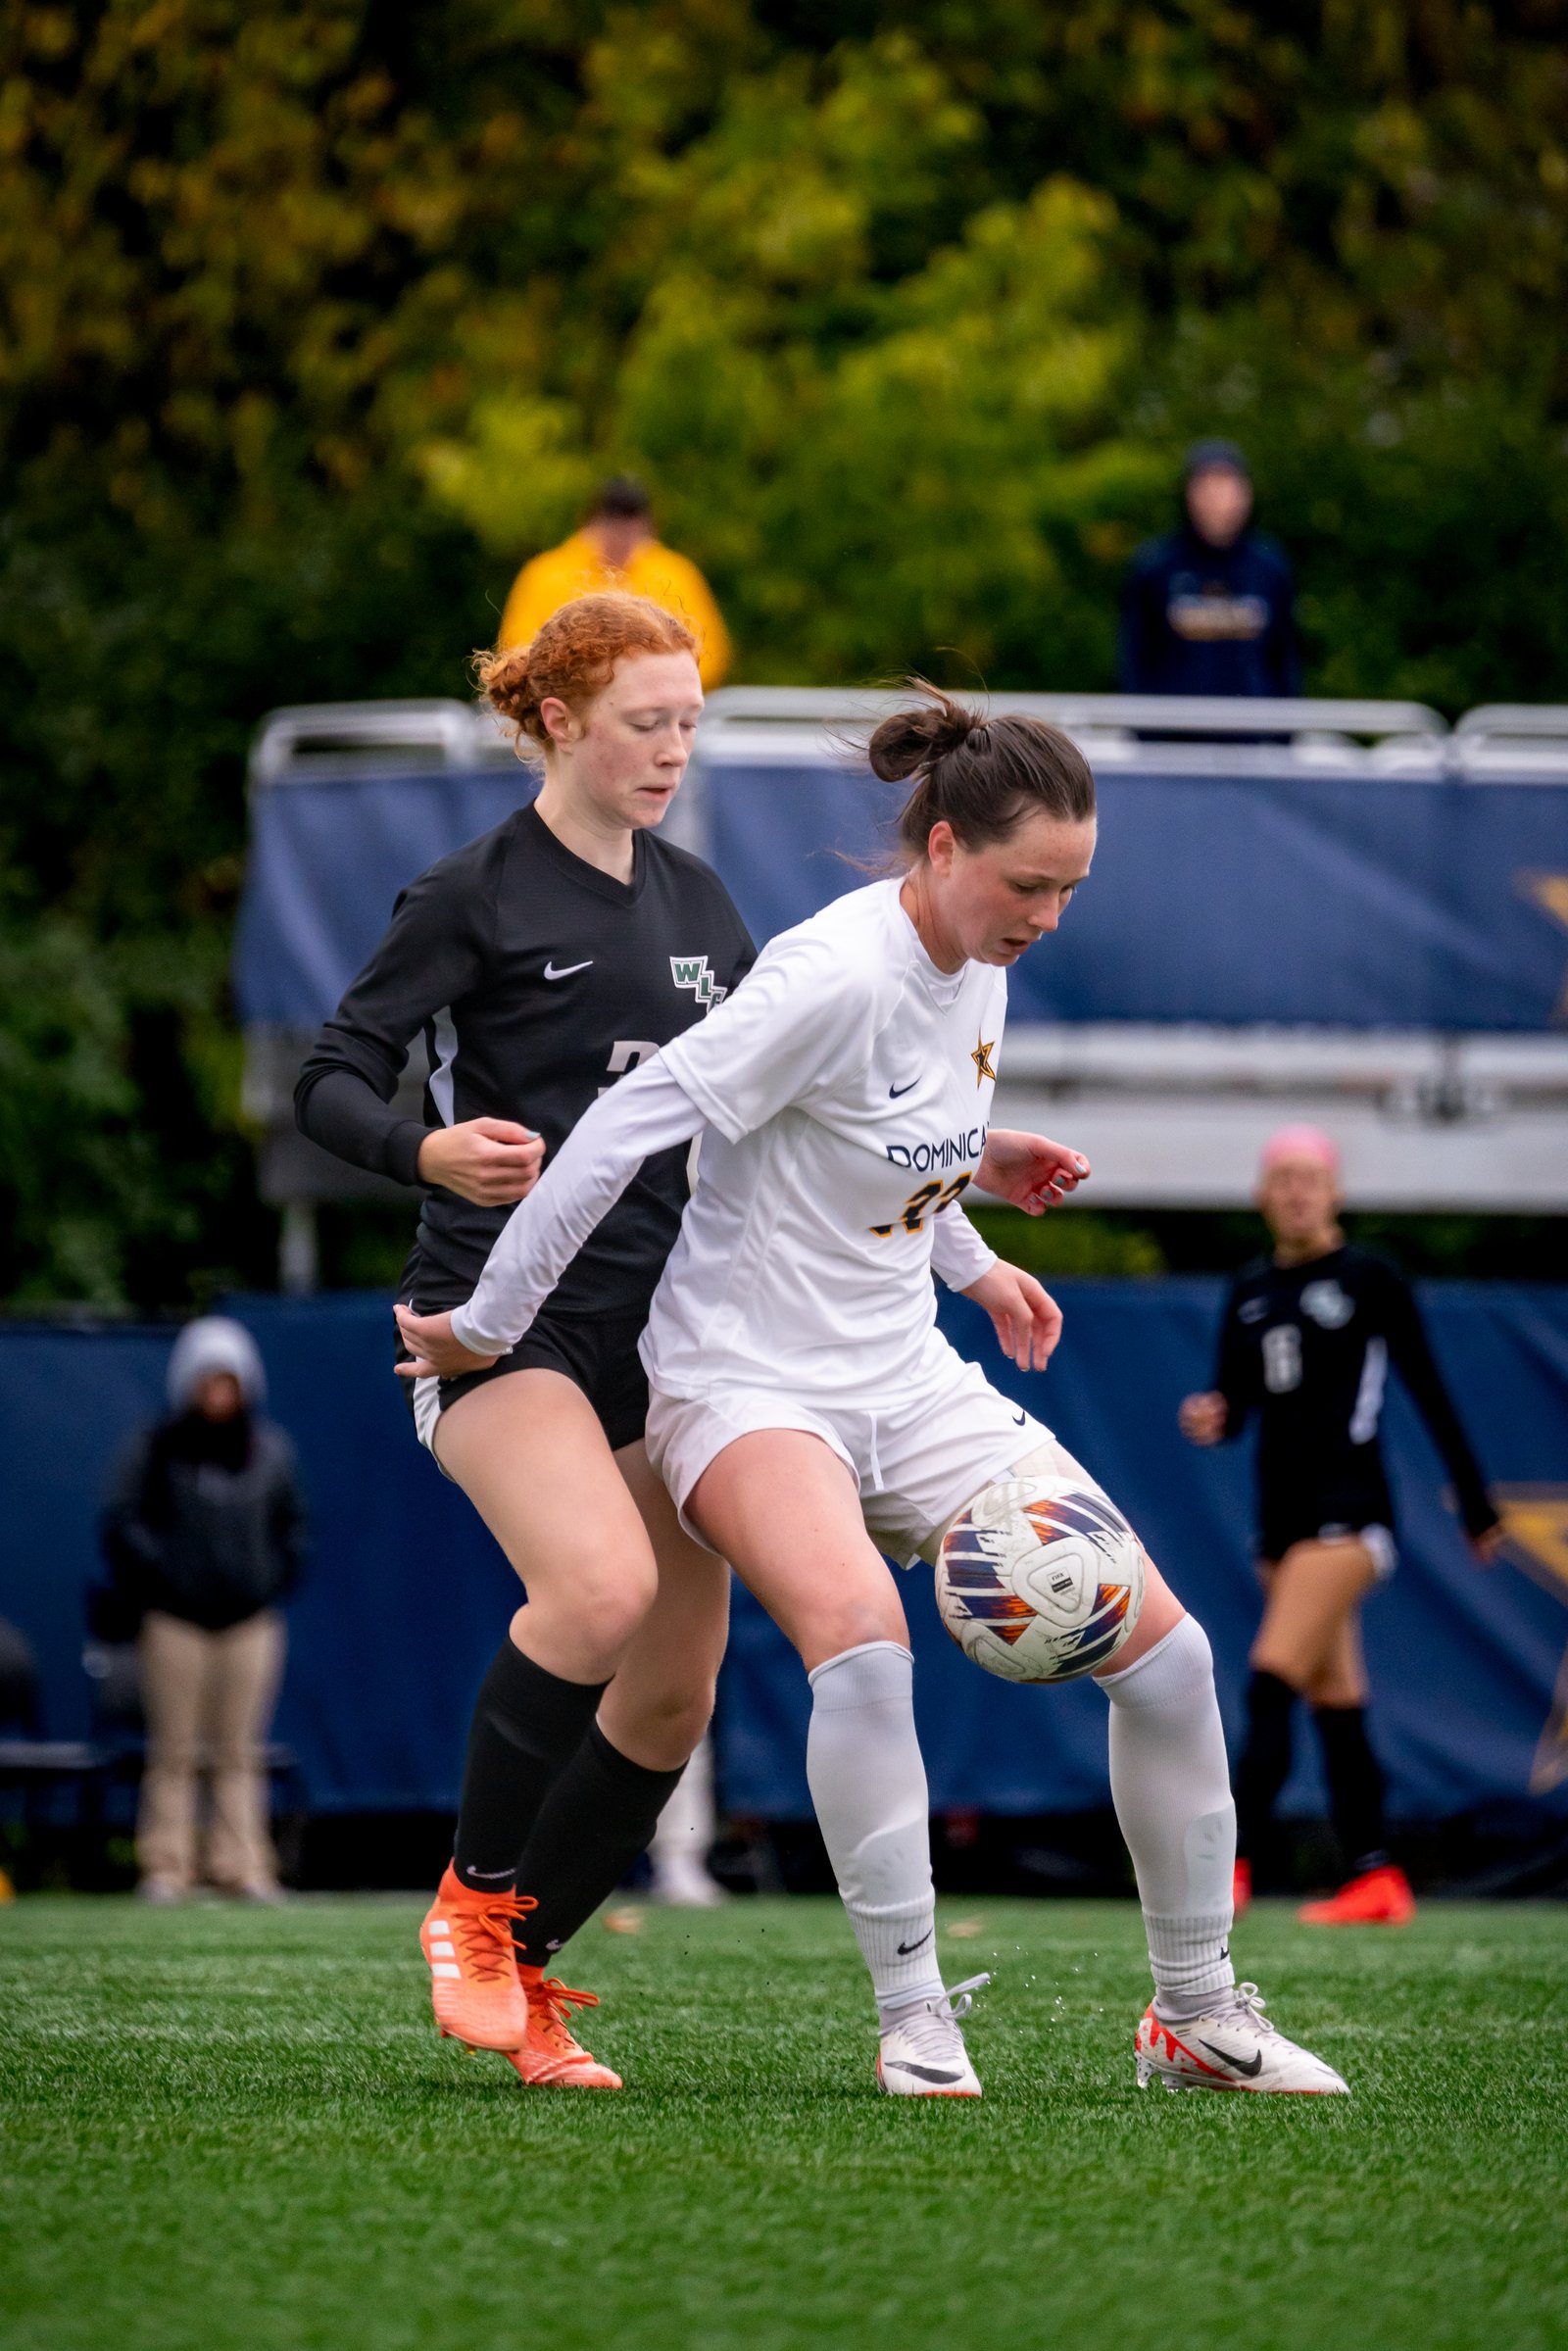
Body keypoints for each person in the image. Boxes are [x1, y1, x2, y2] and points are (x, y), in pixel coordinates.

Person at [397, 689, 1348, 2099]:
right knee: (861, 1636)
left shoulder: (985, 957)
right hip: (741, 1378)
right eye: (1030, 883)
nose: (1049, 914)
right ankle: (915, 2013)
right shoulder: (828, 971)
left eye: (1073, 888)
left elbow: (883, 1138)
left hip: (905, 1369)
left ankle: (1197, 2011)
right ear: (947, 842)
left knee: (1173, 1657)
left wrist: (976, 1250)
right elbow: (623, 1128)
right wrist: (485, 1321)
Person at [295, 591, 754, 2089]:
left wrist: (969, 1156)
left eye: (688, 720)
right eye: (644, 721)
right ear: (557, 719)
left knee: (681, 1681)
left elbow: (792, 1097)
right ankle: (468, 1912)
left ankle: (531, 1970)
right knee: (603, 1585)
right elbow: (333, 1074)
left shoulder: (701, 906)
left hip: (660, 1341)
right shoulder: (472, 893)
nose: (673, 748)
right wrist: (425, 1153)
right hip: (492, 1328)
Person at [1180, 1126, 1501, 1926]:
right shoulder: (1250, 1288)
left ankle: (1232, 1862)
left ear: (1335, 1192)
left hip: (1350, 1515)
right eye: (1281, 1178)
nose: (1295, 1191)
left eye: (1310, 1178)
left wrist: (1477, 1499)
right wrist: (1213, 1416)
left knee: (1269, 1676)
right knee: (1336, 1695)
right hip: (1278, 1521)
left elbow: (1428, 1387)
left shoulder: (1369, 1278)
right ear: (1261, 1195)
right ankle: (1376, 1875)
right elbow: (1236, 1401)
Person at [98, 1318, 306, 1903]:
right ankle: (167, 1867)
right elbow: (122, 1521)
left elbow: (296, 1529)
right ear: (188, 1384)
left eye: (229, 1382)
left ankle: (242, 1866)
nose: (218, 1394)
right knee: (175, 1748)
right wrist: (163, 1578)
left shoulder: (271, 1454)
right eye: (208, 1381)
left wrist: (267, 1584)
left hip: (250, 1622)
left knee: (241, 1749)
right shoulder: (155, 1449)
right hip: (173, 1623)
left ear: (246, 1387)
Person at [498, 477, 731, 688]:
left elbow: (709, 653)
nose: (622, 540)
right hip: (568, 701)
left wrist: (653, 686)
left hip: (659, 704)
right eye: (613, 529)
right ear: (591, 523)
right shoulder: (546, 573)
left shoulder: (675, 573)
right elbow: (518, 647)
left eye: (631, 531)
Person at [1118, 440, 1299, 698]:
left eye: (1226, 486)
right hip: (1174, 733)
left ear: (1245, 495)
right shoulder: (1156, 566)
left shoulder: (1269, 567)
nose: (1217, 499)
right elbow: (1135, 659)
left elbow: (1285, 660)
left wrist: (1283, 732)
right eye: (1207, 487)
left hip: (1252, 732)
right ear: (1189, 494)